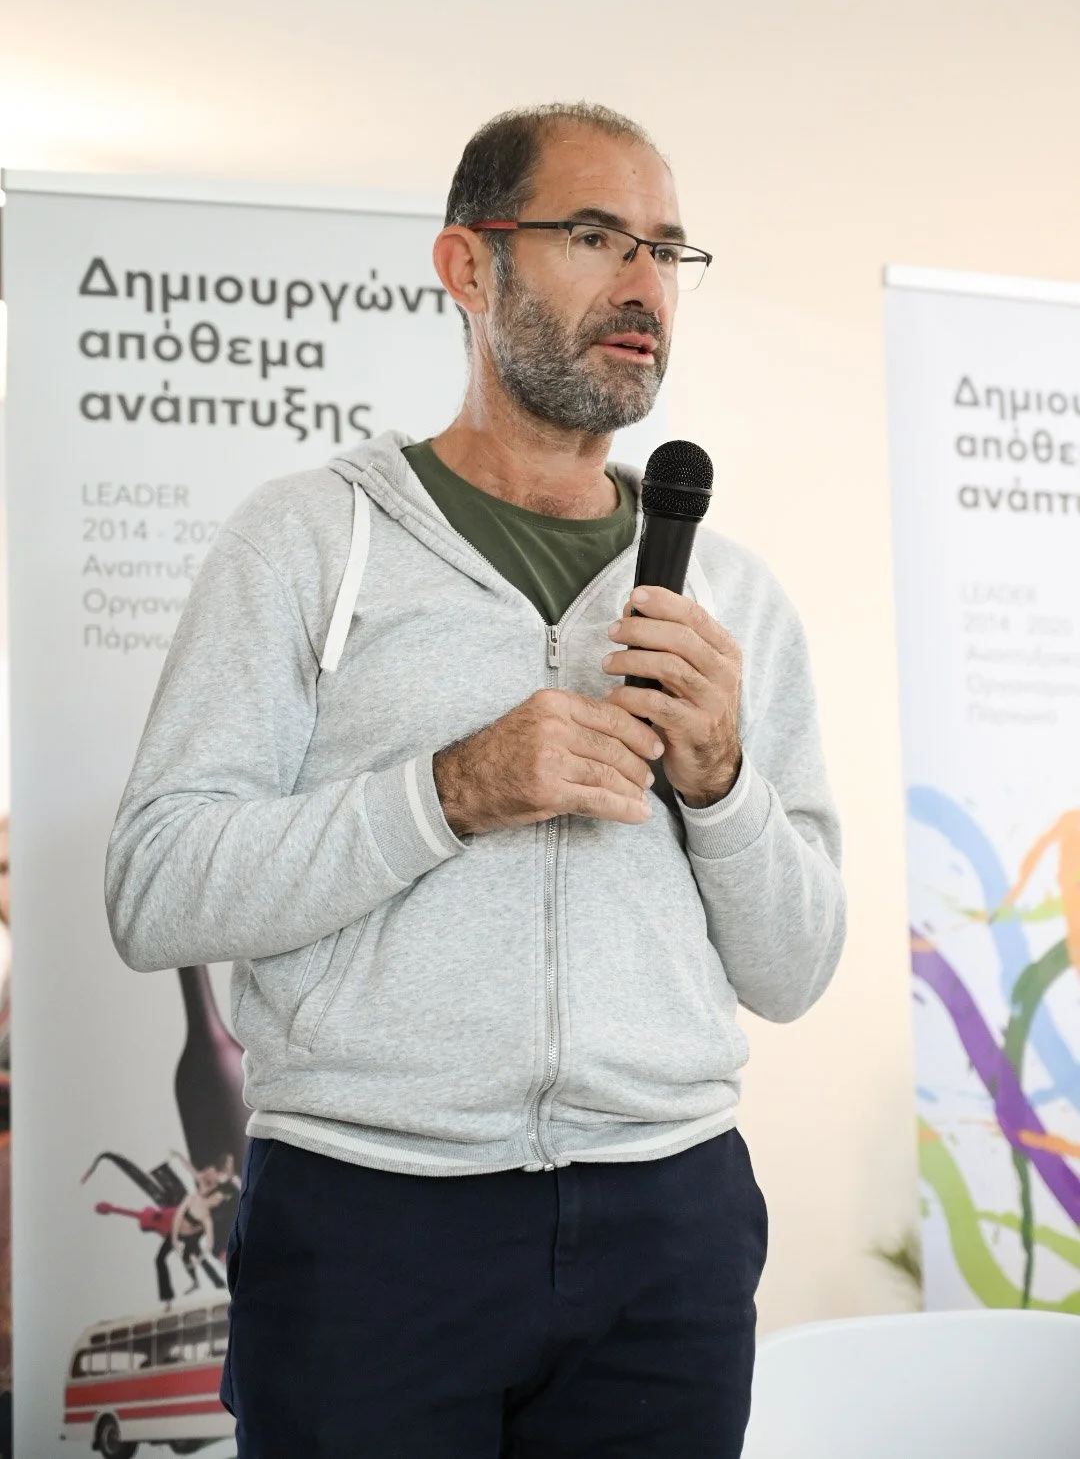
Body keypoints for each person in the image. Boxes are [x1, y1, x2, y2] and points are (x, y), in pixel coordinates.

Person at [106, 102, 846, 1458]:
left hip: (669, 1227)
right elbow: (154, 890)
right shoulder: (305, 546)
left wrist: (725, 781)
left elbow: (795, 971)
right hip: (374, 1221)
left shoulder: (731, 594)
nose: (642, 285)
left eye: (668, 252)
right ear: (468, 266)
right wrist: (446, 792)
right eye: (593, 234)